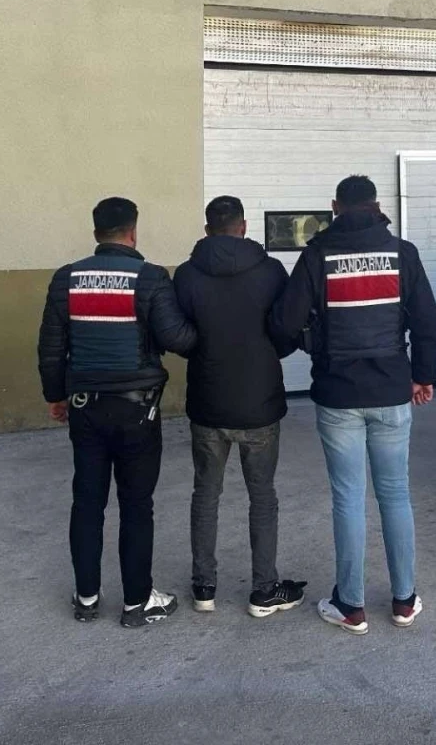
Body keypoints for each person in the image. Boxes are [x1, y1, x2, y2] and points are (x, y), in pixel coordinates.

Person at [272, 175, 436, 634]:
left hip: (338, 394)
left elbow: (286, 322)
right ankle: (404, 601)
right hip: (391, 392)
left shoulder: (317, 256)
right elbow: (427, 321)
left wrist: (311, 342)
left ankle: (350, 605)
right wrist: (423, 375)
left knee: (348, 499)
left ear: (335, 207)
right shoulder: (402, 253)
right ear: (377, 205)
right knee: (396, 494)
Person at [37, 197, 197, 628]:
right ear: (133, 232)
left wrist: (56, 395)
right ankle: (136, 603)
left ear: (96, 234)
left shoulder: (66, 279)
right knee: (136, 505)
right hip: (137, 411)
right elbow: (178, 338)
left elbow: (51, 347)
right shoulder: (150, 278)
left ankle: (87, 598)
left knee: (87, 502)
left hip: (85, 409)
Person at [173, 196, 307, 619]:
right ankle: (264, 589)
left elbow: (178, 333)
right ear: (244, 226)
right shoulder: (271, 271)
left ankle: (204, 587)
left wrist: (204, 350)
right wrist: (269, 353)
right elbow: (287, 329)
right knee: (262, 497)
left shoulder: (187, 274)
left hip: (208, 401)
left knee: (205, 494)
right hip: (259, 402)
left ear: (207, 228)